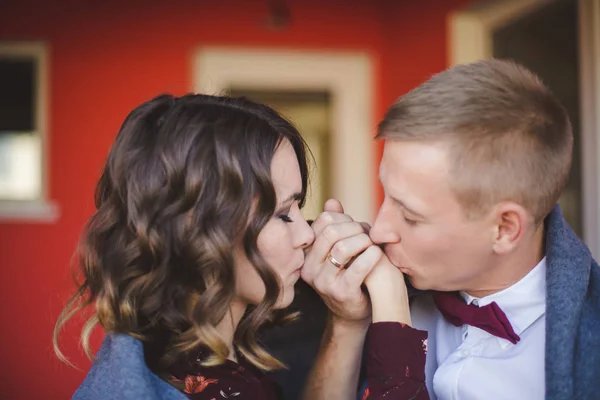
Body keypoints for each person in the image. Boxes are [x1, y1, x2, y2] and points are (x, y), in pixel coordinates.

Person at [53, 93, 427, 399]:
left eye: (300, 208)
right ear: (199, 230)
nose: (307, 234)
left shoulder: (209, 354)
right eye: (282, 214)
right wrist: (388, 290)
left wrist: (346, 321)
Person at [302, 59, 600, 400]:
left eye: (411, 216)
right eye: (386, 196)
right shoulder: (370, 288)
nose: (379, 230)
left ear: (504, 229)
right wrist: (347, 324)